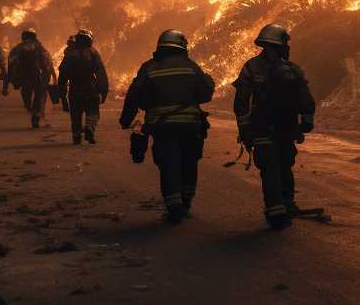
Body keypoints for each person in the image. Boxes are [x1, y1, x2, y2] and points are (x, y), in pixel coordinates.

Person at [120, 30, 215, 224]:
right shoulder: (190, 66)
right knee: (189, 162)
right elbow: (205, 95)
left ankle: (174, 209)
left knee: (168, 165)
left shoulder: (149, 67)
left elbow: (134, 95)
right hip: (190, 125)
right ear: (182, 47)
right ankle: (186, 202)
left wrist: (126, 119)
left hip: (162, 126)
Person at [232, 23, 316, 230]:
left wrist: (244, 128)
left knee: (270, 168)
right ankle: (287, 204)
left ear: (264, 44)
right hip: (286, 126)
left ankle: (277, 211)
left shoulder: (251, 67)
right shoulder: (293, 68)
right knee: (284, 165)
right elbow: (306, 99)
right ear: (282, 46)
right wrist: (306, 121)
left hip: (262, 126)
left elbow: (241, 101)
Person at [56, 29, 109, 145]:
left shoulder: (70, 55)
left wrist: (62, 94)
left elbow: (63, 75)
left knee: (75, 114)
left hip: (75, 89)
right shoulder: (93, 53)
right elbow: (101, 74)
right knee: (93, 111)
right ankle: (89, 127)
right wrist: (103, 91)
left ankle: (76, 136)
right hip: (90, 88)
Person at [4, 28, 55, 129]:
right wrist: (50, 77)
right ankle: (36, 114)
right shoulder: (40, 47)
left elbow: (11, 64)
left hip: (23, 76)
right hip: (38, 76)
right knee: (39, 95)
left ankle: (30, 108)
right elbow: (47, 63)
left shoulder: (18, 48)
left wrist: (7, 83)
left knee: (26, 92)